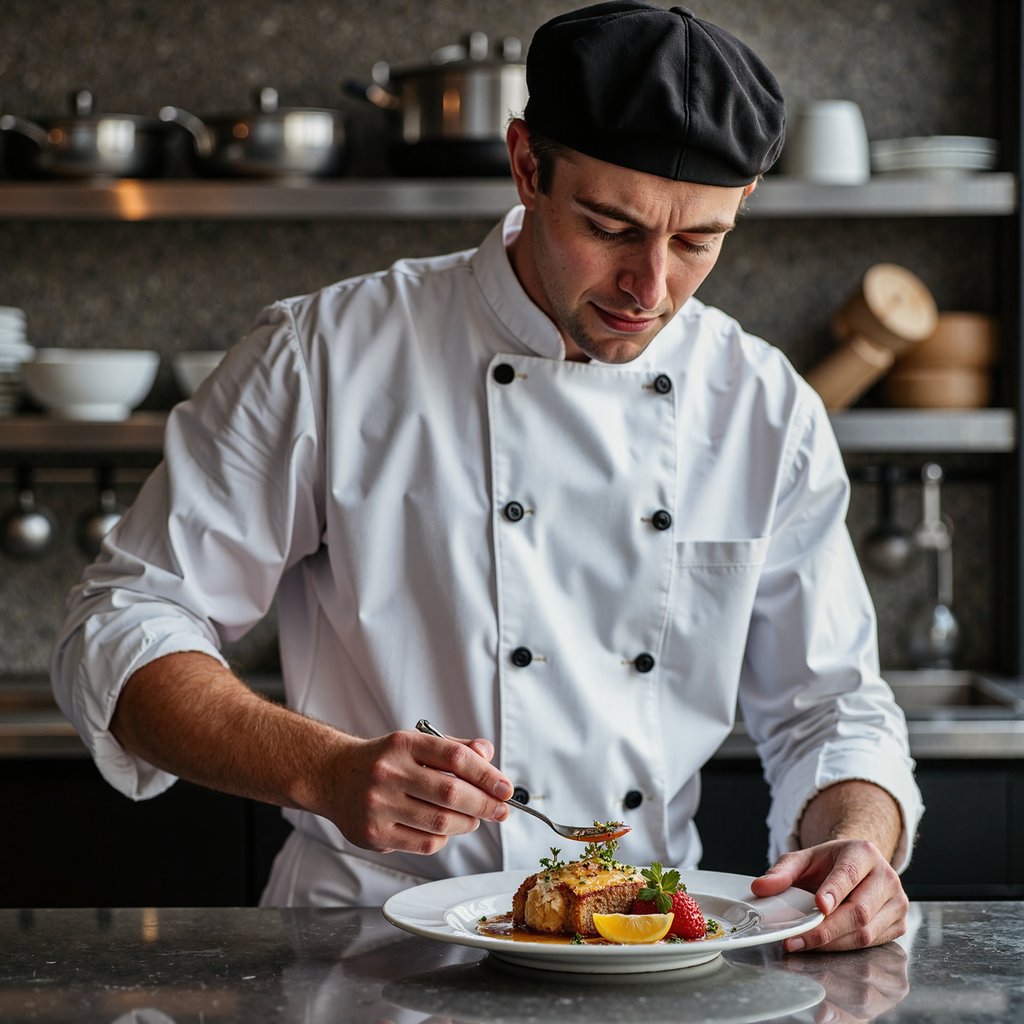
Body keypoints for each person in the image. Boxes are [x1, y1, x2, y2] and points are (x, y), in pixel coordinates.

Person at [52, 1, 922, 951]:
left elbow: (832, 706)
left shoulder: (761, 403)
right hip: (360, 948)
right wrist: (326, 770)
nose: (651, 287)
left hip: (651, 949)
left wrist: (855, 844)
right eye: (610, 226)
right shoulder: (328, 354)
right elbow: (124, 621)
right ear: (525, 166)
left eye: (697, 242)